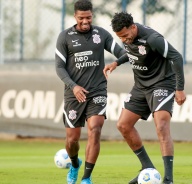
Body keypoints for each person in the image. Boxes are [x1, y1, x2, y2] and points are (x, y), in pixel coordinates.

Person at [103, 12, 186, 184]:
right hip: (141, 86)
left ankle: (168, 179)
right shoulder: (129, 37)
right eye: (120, 38)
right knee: (123, 125)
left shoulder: (153, 38)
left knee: (162, 126)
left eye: (125, 36)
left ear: (133, 27)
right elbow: (133, 52)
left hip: (162, 83)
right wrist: (116, 62)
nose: (124, 40)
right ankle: (148, 168)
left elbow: (176, 57)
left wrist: (180, 89)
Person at [55, 0, 125, 184]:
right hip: (74, 93)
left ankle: (86, 178)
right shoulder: (65, 37)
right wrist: (74, 86)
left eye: (88, 17)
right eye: (81, 18)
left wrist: (117, 62)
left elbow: (123, 53)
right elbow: (59, 68)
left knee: (95, 129)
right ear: (74, 16)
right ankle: (74, 164)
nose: (85, 21)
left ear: (92, 15)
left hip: (97, 91)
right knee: (72, 140)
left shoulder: (101, 34)